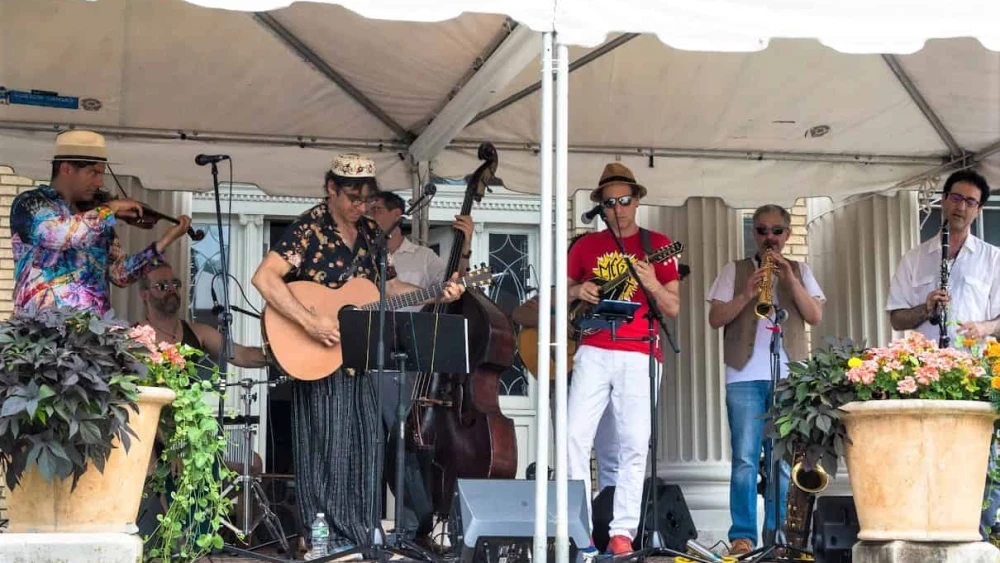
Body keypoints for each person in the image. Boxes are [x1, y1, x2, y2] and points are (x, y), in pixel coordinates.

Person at [250, 154, 465, 557]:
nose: (361, 206)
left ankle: (360, 533)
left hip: (358, 355)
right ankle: (324, 539)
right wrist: (310, 321)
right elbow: (264, 277)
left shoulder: (370, 234)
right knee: (327, 446)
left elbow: (388, 291)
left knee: (368, 442)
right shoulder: (309, 228)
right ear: (331, 189)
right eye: (352, 197)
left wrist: (438, 291)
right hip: (315, 354)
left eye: (367, 198)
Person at [566, 162, 680, 556]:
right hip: (595, 347)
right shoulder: (585, 246)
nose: (618, 208)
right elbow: (560, 294)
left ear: (637, 201)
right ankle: (578, 529)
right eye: (610, 202)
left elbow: (673, 306)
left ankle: (622, 533)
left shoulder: (658, 243)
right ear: (601, 205)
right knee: (573, 437)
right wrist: (579, 290)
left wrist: (649, 281)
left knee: (635, 443)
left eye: (625, 200)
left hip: (640, 349)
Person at [885, 170, 1000, 539]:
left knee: (980, 456)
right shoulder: (916, 258)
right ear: (942, 200)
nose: (960, 206)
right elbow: (896, 316)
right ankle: (929, 530)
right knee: (927, 455)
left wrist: (984, 328)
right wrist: (925, 309)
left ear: (979, 210)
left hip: (974, 371)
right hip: (926, 374)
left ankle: (981, 535)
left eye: (969, 201)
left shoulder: (993, 259)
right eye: (955, 198)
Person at [707, 204, 825, 556]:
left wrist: (789, 279)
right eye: (761, 231)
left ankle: (777, 536)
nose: (769, 238)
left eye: (776, 231)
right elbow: (715, 318)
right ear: (754, 234)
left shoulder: (801, 271)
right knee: (745, 458)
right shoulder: (735, 269)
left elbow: (815, 315)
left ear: (787, 235)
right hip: (743, 376)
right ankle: (742, 535)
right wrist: (746, 293)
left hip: (789, 376)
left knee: (782, 461)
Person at [10, 130, 191, 316]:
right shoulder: (31, 203)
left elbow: (120, 275)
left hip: (93, 334)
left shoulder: (96, 215)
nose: (100, 182)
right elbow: (60, 234)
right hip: (41, 332)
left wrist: (163, 243)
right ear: (66, 169)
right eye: (93, 172)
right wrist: (110, 209)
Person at [511, 233, 619, 495]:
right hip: (563, 374)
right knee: (570, 448)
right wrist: (558, 323)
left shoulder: (611, 290)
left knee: (611, 450)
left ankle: (608, 515)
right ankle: (575, 515)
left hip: (602, 372)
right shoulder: (557, 294)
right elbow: (519, 313)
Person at [139, 263, 267, 368]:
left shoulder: (199, 332)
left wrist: (279, 356)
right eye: (162, 286)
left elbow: (242, 355)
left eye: (176, 284)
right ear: (144, 294)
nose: (172, 289)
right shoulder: (132, 337)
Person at [368, 190, 474, 305]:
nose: (369, 216)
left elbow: (456, 283)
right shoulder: (364, 255)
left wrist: (465, 246)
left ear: (396, 214)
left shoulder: (425, 256)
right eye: (367, 211)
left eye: (376, 210)